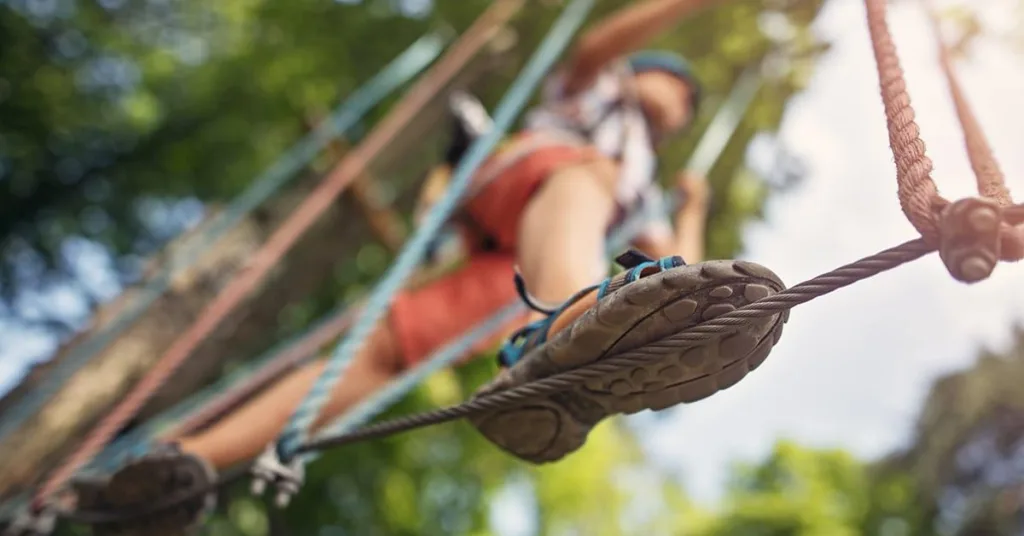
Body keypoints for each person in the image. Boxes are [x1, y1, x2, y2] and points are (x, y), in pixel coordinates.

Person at [78, 0, 789, 531]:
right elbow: (598, 44)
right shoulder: (596, 94)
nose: (684, 104)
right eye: (680, 88)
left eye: (692, 105)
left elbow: (678, 289)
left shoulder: (645, 182)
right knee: (588, 181)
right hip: (519, 188)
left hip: (522, 272)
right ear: (647, 74)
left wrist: (691, 208)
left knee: (387, 352)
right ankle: (573, 328)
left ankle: (181, 464)